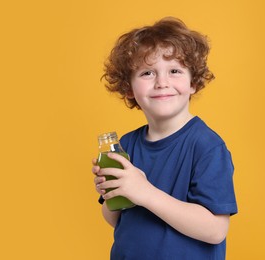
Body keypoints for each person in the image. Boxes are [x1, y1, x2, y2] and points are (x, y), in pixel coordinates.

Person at [92, 17, 238, 259]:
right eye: (147, 73)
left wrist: (144, 192)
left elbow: (215, 230)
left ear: (193, 82)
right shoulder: (125, 145)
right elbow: (113, 219)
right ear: (129, 88)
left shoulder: (207, 146)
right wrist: (112, 193)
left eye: (174, 71)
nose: (162, 82)